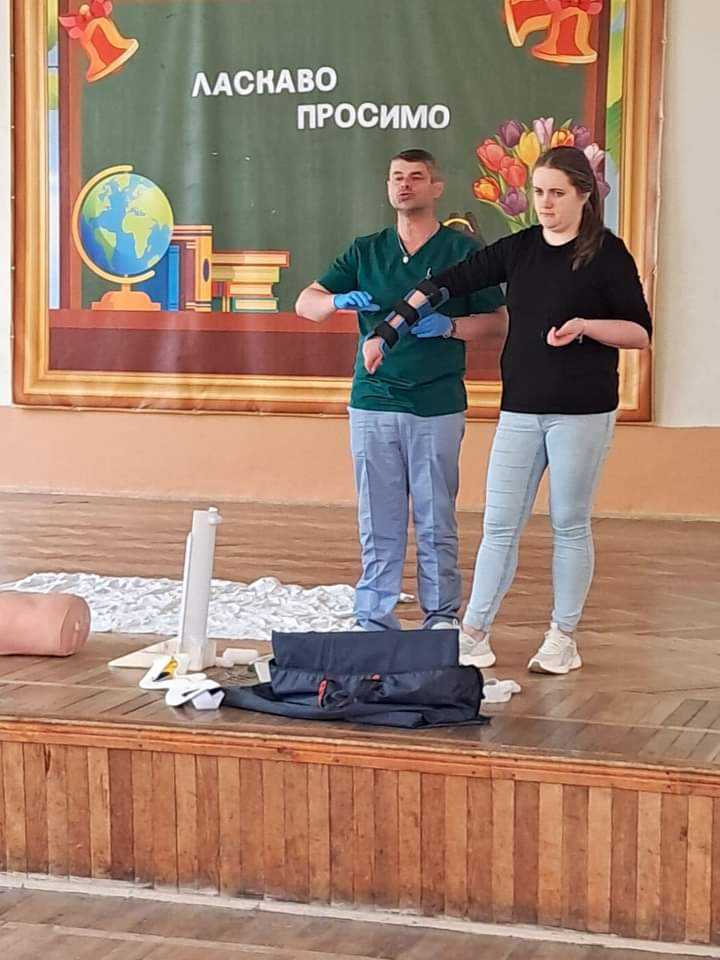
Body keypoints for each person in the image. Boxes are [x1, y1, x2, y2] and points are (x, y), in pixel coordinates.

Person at [362, 145, 652, 674]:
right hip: (520, 409)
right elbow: (445, 282)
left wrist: (585, 327)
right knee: (499, 525)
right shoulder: (520, 248)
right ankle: (474, 633)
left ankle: (562, 637)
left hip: (582, 413)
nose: (545, 203)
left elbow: (638, 332)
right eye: (539, 192)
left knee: (568, 522)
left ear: (584, 196)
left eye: (557, 193)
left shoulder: (608, 254)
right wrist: (390, 328)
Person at [295, 149, 506, 641]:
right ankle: (374, 616)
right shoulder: (366, 251)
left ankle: (441, 616)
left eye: (416, 177)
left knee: (436, 518)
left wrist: (451, 326)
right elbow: (306, 303)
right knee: (378, 517)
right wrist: (335, 300)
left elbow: (499, 322)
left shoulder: (461, 251)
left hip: (436, 404)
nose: (405, 185)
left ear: (437, 187)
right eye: (396, 177)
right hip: (373, 400)